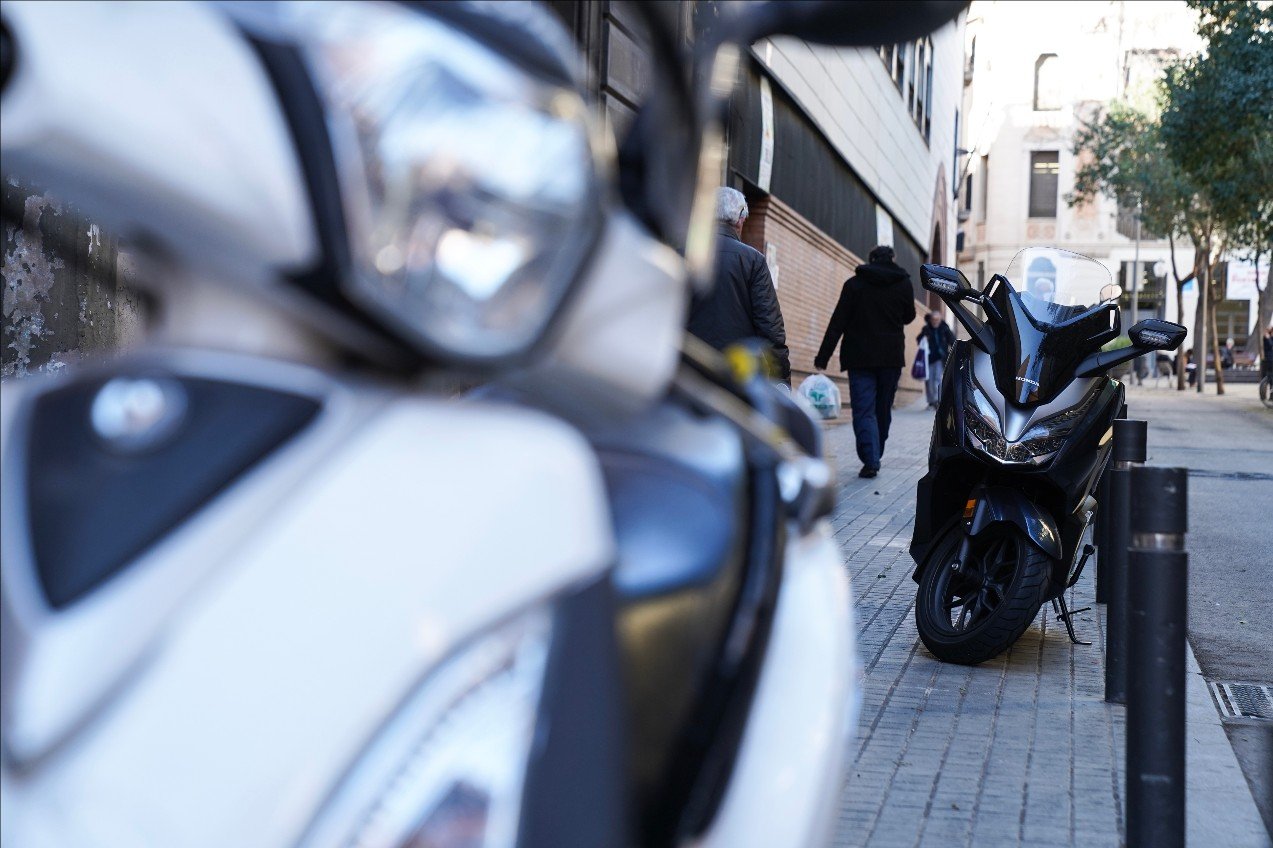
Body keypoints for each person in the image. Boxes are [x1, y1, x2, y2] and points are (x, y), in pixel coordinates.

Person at [814, 245, 916, 478]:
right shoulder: (903, 284)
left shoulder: (854, 284)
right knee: (883, 409)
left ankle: (870, 458)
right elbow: (909, 316)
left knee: (863, 410)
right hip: (890, 357)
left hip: (859, 357)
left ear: (870, 259)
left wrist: (823, 357)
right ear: (892, 258)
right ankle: (874, 454)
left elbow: (837, 321)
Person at [687, 187, 791, 384]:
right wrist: (781, 380)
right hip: (738, 371)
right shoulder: (753, 261)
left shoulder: (683, 252)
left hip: (690, 368)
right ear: (740, 218)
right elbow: (770, 327)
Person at [916, 311, 954, 409]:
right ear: (931, 319)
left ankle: (938, 401)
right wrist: (924, 338)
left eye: (937, 320)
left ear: (940, 320)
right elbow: (919, 339)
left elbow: (953, 340)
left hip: (940, 358)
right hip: (928, 358)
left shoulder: (945, 328)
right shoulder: (927, 328)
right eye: (933, 319)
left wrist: (951, 352)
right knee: (929, 380)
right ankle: (931, 402)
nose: (935, 321)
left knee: (937, 379)